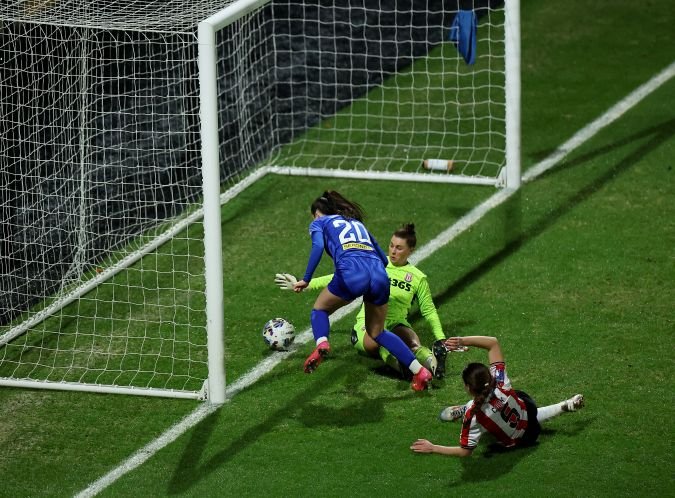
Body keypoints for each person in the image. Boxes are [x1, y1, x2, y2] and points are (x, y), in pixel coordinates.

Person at [289, 191, 433, 391]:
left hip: (351, 273)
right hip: (379, 275)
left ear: (319, 213)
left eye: (315, 215)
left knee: (320, 310)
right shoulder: (358, 224)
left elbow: (317, 247)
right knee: (378, 332)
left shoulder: (320, 223)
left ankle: (322, 343)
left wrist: (306, 279)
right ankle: (419, 372)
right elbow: (384, 260)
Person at [276, 223, 455, 379]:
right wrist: (306, 284)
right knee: (382, 338)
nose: (393, 251)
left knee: (413, 342)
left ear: (411, 250)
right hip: (367, 326)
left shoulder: (418, 278)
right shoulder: (375, 262)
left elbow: (429, 310)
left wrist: (440, 338)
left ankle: (434, 362)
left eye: (399, 248)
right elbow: (339, 277)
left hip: (396, 323)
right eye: (391, 245)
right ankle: (403, 367)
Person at [410, 335, 584, 456]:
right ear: (488, 375)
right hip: (529, 418)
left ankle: (462, 408)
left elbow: (465, 451)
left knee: (489, 441)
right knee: (518, 398)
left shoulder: (473, 415)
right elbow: (493, 343)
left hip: (521, 441)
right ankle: (565, 405)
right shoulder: (500, 382)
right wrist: (462, 340)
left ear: (468, 388)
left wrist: (433, 448)